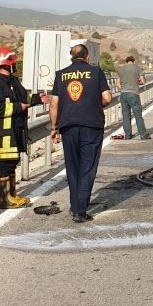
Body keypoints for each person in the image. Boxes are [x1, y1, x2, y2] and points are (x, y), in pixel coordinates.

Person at [49, 44, 112, 223]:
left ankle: (74, 205)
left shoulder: (60, 75)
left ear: (71, 57)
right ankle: (80, 211)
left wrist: (54, 128)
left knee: (73, 167)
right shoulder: (96, 72)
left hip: (68, 126)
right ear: (87, 57)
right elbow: (107, 98)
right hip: (92, 125)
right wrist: (93, 106)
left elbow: (54, 104)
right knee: (87, 167)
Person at [0, 46, 46, 209]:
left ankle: (11, 195)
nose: (15, 66)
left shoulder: (13, 82)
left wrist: (38, 99)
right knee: (5, 164)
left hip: (15, 130)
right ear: (7, 64)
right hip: (4, 134)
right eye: (13, 63)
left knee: (12, 162)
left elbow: (23, 98)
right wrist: (19, 107)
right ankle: (5, 200)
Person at [115, 55, 148, 139]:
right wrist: (137, 83)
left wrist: (124, 88)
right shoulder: (137, 68)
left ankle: (128, 135)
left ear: (126, 61)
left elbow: (118, 84)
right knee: (138, 115)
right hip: (133, 94)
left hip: (123, 94)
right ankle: (143, 135)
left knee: (126, 116)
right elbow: (143, 81)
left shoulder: (120, 69)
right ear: (133, 61)